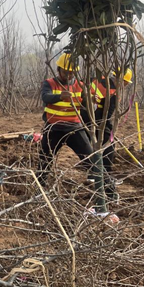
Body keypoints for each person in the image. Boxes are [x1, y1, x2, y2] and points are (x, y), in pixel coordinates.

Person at [37, 54, 115, 199]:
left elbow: (87, 103)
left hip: (74, 128)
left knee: (91, 159)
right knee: (44, 160)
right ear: (58, 70)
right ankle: (38, 191)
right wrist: (60, 96)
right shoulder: (49, 83)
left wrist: (91, 99)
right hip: (53, 128)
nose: (69, 75)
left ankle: (110, 191)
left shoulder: (80, 85)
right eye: (66, 72)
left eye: (72, 73)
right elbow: (45, 97)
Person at [86, 68, 134, 175]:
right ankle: (106, 174)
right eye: (126, 83)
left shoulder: (98, 79)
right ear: (120, 80)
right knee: (108, 145)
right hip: (96, 119)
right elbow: (106, 114)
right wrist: (109, 128)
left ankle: (93, 174)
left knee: (90, 146)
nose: (125, 86)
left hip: (85, 116)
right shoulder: (114, 93)